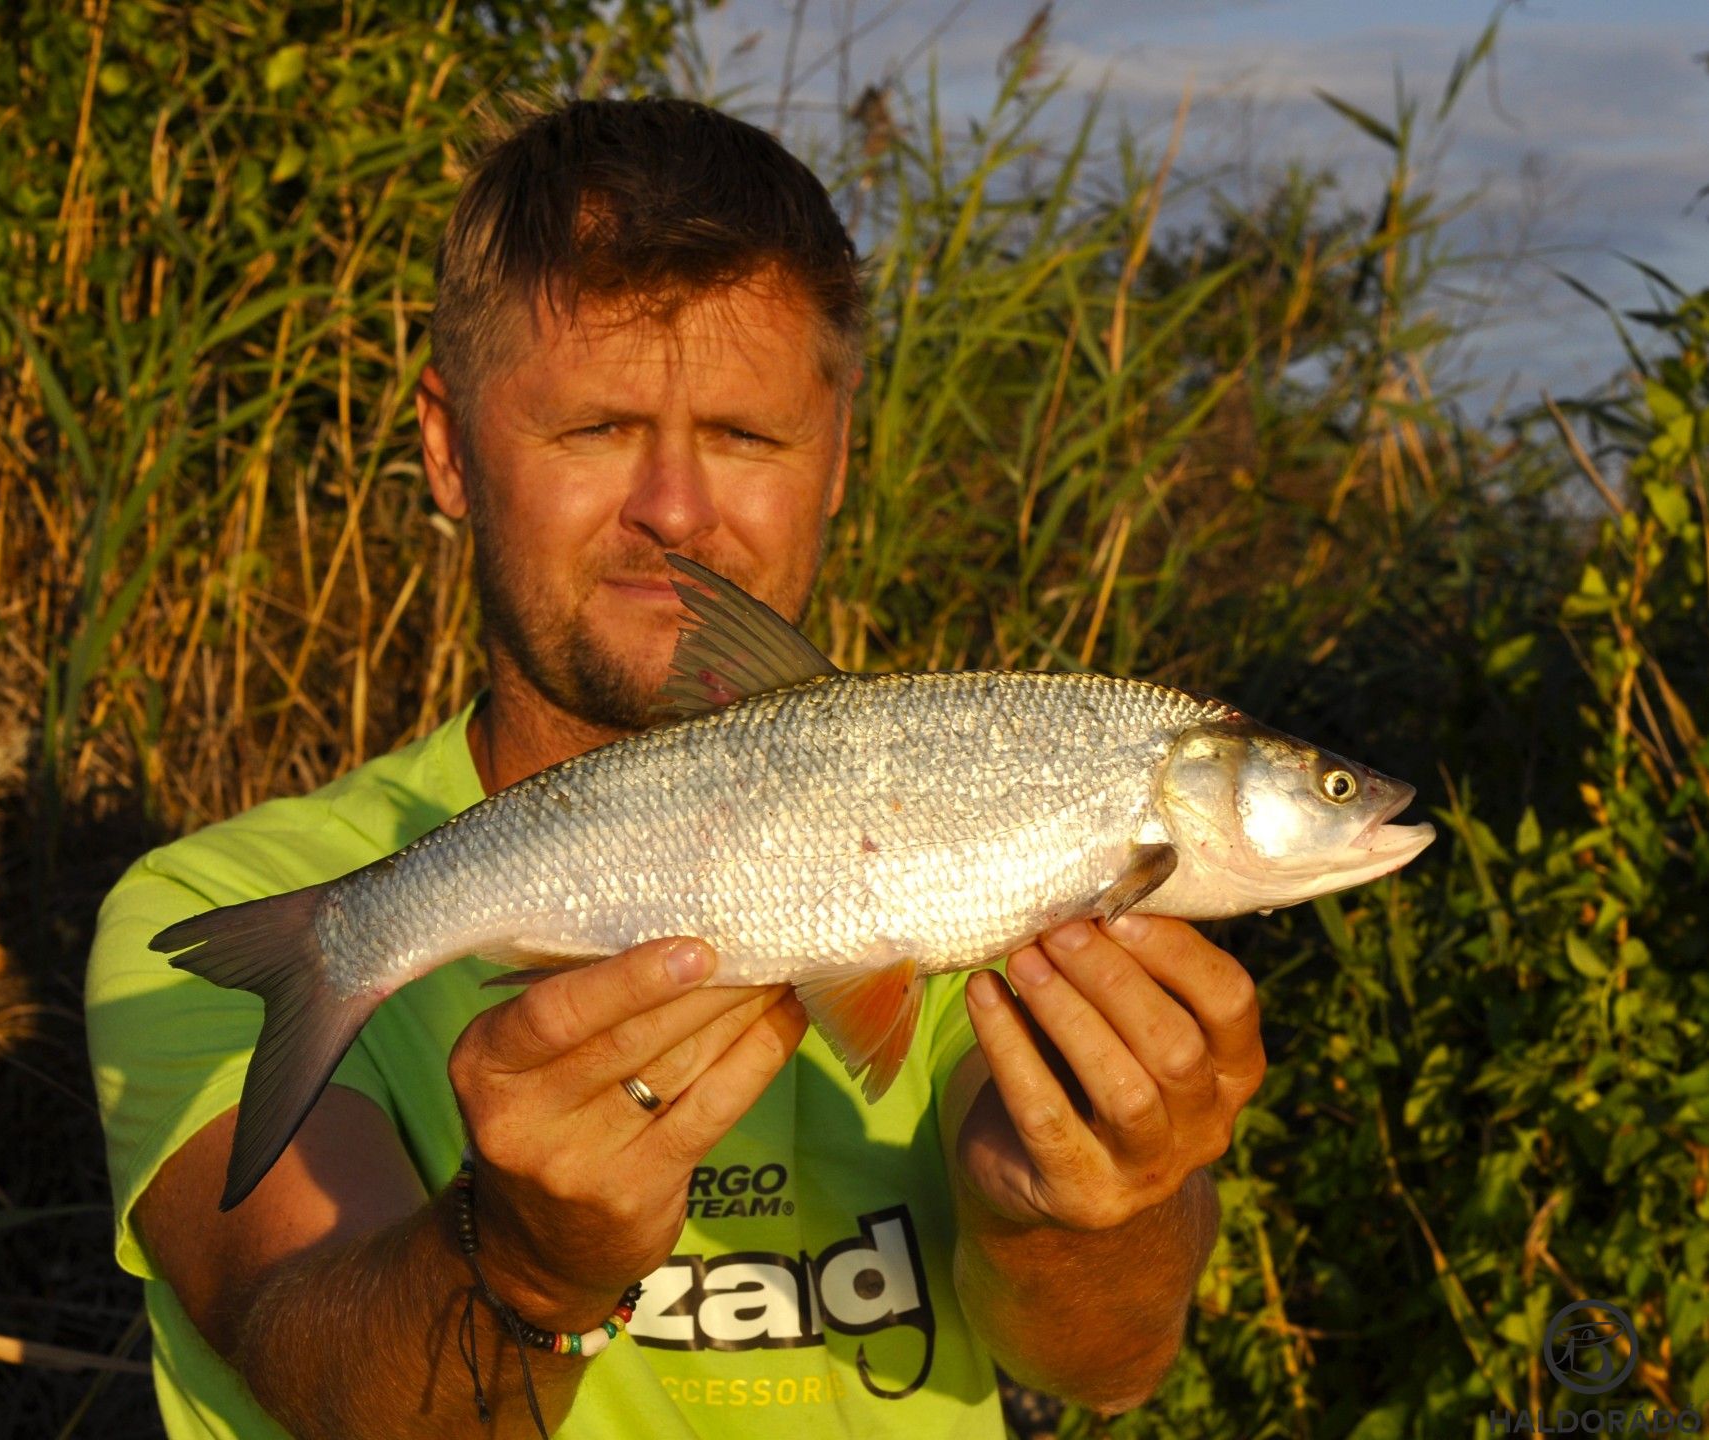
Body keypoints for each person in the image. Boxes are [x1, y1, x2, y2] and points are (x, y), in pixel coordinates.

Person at [86, 97, 1266, 1440]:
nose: (676, 510)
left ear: (836, 461)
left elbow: (1107, 1368)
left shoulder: (981, 863)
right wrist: (531, 1268)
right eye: (595, 429)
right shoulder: (223, 904)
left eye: (747, 437)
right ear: (447, 448)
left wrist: (1074, 1211)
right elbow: (305, 1368)